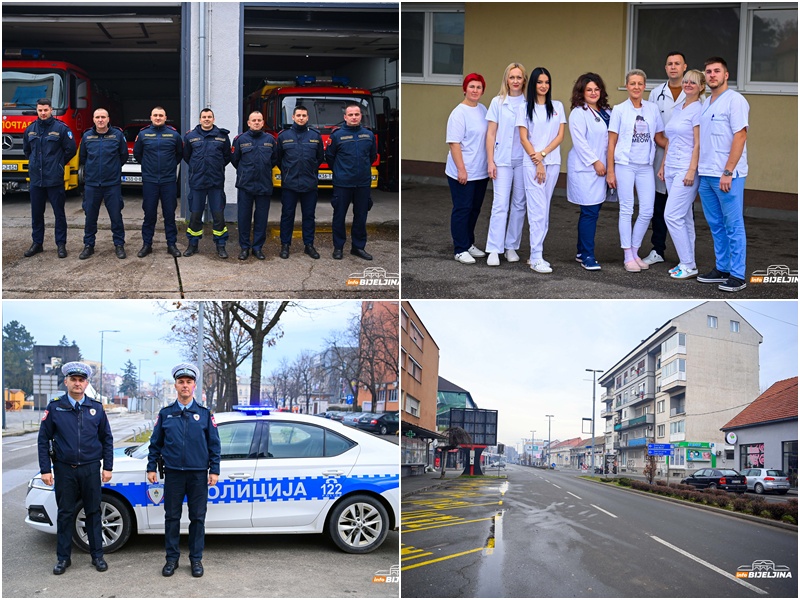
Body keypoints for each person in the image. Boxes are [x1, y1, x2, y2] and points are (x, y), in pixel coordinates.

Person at [37, 362, 113, 575]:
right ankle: (63, 558)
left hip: (90, 469)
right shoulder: (55, 407)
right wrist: (45, 469)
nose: (78, 383)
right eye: (74, 380)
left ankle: (97, 556)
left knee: (93, 512)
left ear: (86, 383)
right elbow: (43, 439)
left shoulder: (96, 408)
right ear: (66, 382)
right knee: (65, 514)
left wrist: (108, 467)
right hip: (65, 470)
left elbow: (107, 438)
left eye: (81, 380)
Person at [147, 363, 220, 578]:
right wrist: (151, 466)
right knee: (172, 518)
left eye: (188, 382)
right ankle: (171, 559)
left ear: (194, 386)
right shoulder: (166, 414)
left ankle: (196, 560)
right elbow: (155, 444)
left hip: (198, 474)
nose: (185, 386)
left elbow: (214, 445)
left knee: (198, 518)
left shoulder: (205, 415)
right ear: (176, 386)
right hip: (174, 474)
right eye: (181, 382)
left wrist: (214, 470)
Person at [696, 56, 749, 292]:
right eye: (708, 72)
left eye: (717, 71)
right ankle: (722, 268)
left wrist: (728, 171)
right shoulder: (706, 103)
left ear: (726, 75)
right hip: (706, 174)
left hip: (727, 175)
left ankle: (737, 274)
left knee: (733, 224)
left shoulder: (735, 101)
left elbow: (740, 136)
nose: (712, 75)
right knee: (716, 224)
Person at [606, 69, 665, 272]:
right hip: (625, 165)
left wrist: (677, 145)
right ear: (627, 85)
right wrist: (610, 171)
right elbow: (611, 142)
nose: (636, 87)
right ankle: (627, 255)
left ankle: (635, 250)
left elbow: (659, 138)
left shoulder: (652, 109)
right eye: (633, 83)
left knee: (647, 210)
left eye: (640, 83)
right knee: (627, 209)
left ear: (644, 86)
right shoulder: (619, 110)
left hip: (645, 166)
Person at [517, 67, 566, 274]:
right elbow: (523, 138)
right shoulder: (524, 107)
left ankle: (535, 254)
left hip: (552, 162)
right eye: (539, 82)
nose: (543, 86)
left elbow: (560, 135)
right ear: (533, 85)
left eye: (546, 82)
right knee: (537, 211)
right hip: (532, 164)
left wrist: (544, 155)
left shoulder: (557, 106)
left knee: (544, 210)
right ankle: (537, 256)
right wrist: (537, 162)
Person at [657, 69, 704, 280]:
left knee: (671, 215)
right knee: (684, 218)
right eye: (686, 81)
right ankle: (688, 262)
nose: (687, 85)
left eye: (693, 82)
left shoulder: (698, 110)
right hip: (672, 167)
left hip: (686, 169)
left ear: (701, 87)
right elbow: (671, 140)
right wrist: (663, 165)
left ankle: (688, 264)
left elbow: (698, 144)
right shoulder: (678, 108)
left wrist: (692, 170)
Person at [645, 51, 689, 266]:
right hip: (660, 154)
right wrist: (668, 145)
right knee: (659, 206)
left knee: (683, 208)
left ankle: (686, 255)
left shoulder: (693, 92)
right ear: (665, 68)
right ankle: (658, 249)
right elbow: (653, 126)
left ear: (684, 67)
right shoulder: (655, 93)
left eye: (677, 64)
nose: (673, 67)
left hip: (684, 158)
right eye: (669, 63)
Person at [566, 73, 612, 271]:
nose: (593, 93)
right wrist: (596, 162)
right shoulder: (579, 112)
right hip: (587, 167)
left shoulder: (606, 111)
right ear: (582, 92)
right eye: (589, 90)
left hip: (602, 167)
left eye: (596, 89)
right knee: (589, 212)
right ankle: (587, 255)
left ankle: (580, 251)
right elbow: (580, 142)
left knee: (593, 210)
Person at [484, 62, 528, 266]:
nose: (516, 81)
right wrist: (490, 161)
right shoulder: (497, 102)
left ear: (524, 80)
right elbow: (491, 133)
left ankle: (511, 246)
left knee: (519, 204)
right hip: (501, 160)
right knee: (500, 204)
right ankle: (494, 248)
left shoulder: (530, 103)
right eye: (512, 77)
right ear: (506, 80)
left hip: (523, 160)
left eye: (519, 77)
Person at [22, 98, 77, 259]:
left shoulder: (61, 128)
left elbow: (71, 149)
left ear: (51, 110)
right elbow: (27, 151)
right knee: (36, 213)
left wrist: (58, 164)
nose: (43, 113)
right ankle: (37, 243)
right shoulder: (30, 129)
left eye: (46, 110)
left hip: (54, 179)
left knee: (59, 213)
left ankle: (61, 244)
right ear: (37, 111)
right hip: (36, 180)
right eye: (40, 110)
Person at [445, 73, 489, 264]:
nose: (475, 90)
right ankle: (460, 248)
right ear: (465, 89)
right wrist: (461, 169)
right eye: (472, 86)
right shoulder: (458, 113)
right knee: (462, 209)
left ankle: (469, 242)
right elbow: (454, 144)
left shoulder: (483, 109)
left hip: (480, 170)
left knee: (474, 209)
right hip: (462, 171)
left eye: (479, 87)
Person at [326, 103, 378, 260]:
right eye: (351, 115)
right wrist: (341, 173)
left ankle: (358, 247)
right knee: (339, 216)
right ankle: (338, 248)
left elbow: (372, 156)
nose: (354, 117)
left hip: (362, 183)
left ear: (361, 116)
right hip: (343, 183)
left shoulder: (368, 135)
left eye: (357, 114)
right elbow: (330, 157)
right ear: (345, 117)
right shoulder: (337, 136)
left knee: (361, 216)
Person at [133, 106, 184, 258]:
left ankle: (171, 244)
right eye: (155, 115)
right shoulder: (143, 134)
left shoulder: (174, 135)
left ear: (165, 117)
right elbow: (138, 154)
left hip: (168, 181)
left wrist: (169, 167)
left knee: (169, 214)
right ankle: (147, 244)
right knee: (149, 214)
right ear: (151, 117)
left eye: (161, 115)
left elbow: (179, 155)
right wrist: (149, 167)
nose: (158, 117)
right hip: (150, 181)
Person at [78, 108, 128, 260]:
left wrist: (112, 170)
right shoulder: (87, 136)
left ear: (108, 119)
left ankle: (119, 245)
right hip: (92, 184)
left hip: (111, 184)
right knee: (90, 217)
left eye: (103, 117)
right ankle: (89, 245)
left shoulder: (117, 135)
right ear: (93, 119)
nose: (100, 120)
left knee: (116, 217)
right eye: (97, 117)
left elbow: (123, 156)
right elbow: (83, 157)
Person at [182, 108, 232, 259]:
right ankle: (193, 245)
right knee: (195, 215)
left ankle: (221, 245)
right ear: (200, 119)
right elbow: (187, 156)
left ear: (213, 119)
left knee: (218, 216)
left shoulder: (222, 137)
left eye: (209, 117)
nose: (207, 119)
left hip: (216, 183)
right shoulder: (190, 136)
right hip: (197, 183)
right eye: (204, 117)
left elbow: (227, 157)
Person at [276, 105, 324, 259]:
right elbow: (278, 159)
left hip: (309, 184)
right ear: (293, 117)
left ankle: (309, 245)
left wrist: (310, 171)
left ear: (307, 117)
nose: (301, 118)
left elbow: (320, 158)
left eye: (304, 115)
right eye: (298, 115)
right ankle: (285, 245)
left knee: (309, 216)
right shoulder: (284, 136)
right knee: (287, 215)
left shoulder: (315, 136)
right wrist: (287, 172)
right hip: (290, 184)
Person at [231, 111, 278, 261]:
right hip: (246, 185)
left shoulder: (270, 140)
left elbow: (274, 159)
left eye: (259, 120)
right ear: (248, 123)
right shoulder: (240, 140)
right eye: (253, 120)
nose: (256, 122)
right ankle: (244, 248)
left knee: (261, 218)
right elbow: (235, 160)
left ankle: (257, 248)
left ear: (263, 123)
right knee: (244, 218)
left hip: (264, 185)